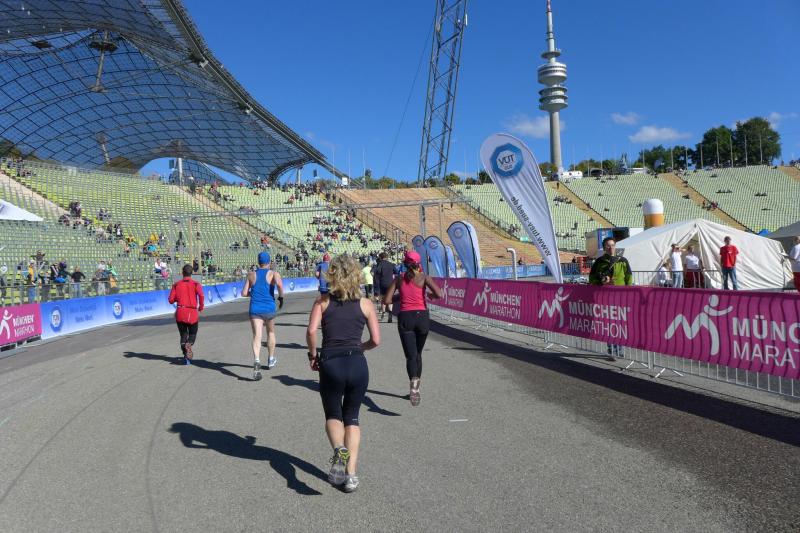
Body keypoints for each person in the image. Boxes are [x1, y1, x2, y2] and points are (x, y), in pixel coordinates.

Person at [306, 254, 380, 493]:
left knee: (333, 414)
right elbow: (376, 340)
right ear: (357, 275)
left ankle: (339, 449)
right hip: (357, 363)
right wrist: (361, 347)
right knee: (352, 418)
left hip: (331, 362)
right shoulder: (366, 304)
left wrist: (313, 355)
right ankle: (351, 475)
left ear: (332, 275)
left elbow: (311, 331)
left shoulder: (322, 302)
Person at [383, 251, 442, 406]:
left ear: (405, 263)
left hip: (405, 317)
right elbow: (439, 294)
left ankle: (413, 384)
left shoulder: (399, 279)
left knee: (411, 356)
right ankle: (416, 388)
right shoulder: (424, 277)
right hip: (422, 317)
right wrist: (431, 296)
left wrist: (400, 297)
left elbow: (387, 300)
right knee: (418, 354)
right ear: (418, 263)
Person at [242, 251, 284, 380]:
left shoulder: (251, 275)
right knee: (270, 332)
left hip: (255, 308)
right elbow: (280, 285)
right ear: (269, 262)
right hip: (269, 307)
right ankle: (271, 359)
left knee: (257, 336)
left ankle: (257, 360)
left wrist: (253, 293)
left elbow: (244, 293)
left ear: (258, 262)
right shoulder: (273, 274)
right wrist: (281, 297)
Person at [589, 237, 632, 360]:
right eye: (608, 245)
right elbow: (591, 279)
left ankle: (620, 349)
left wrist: (628, 293)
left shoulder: (623, 260)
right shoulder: (599, 261)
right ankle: (611, 349)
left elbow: (629, 277)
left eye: (613, 245)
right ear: (604, 248)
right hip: (606, 296)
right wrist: (602, 281)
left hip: (620, 297)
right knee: (609, 324)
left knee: (620, 324)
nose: (611, 247)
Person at [168, 264, 205, 365]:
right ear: (191, 273)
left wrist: (178, 298)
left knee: (183, 334)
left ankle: (186, 357)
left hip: (181, 311)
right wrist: (201, 307)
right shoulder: (196, 284)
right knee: (192, 334)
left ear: (182, 272)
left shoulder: (176, 285)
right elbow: (201, 295)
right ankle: (189, 344)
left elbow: (170, 300)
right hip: (192, 312)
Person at [373, 252, 396, 322]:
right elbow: (396, 271)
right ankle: (390, 313)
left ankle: (383, 313)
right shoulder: (391, 264)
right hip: (390, 283)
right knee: (390, 298)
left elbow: (377, 272)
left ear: (380, 257)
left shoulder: (380, 264)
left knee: (383, 298)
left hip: (382, 283)